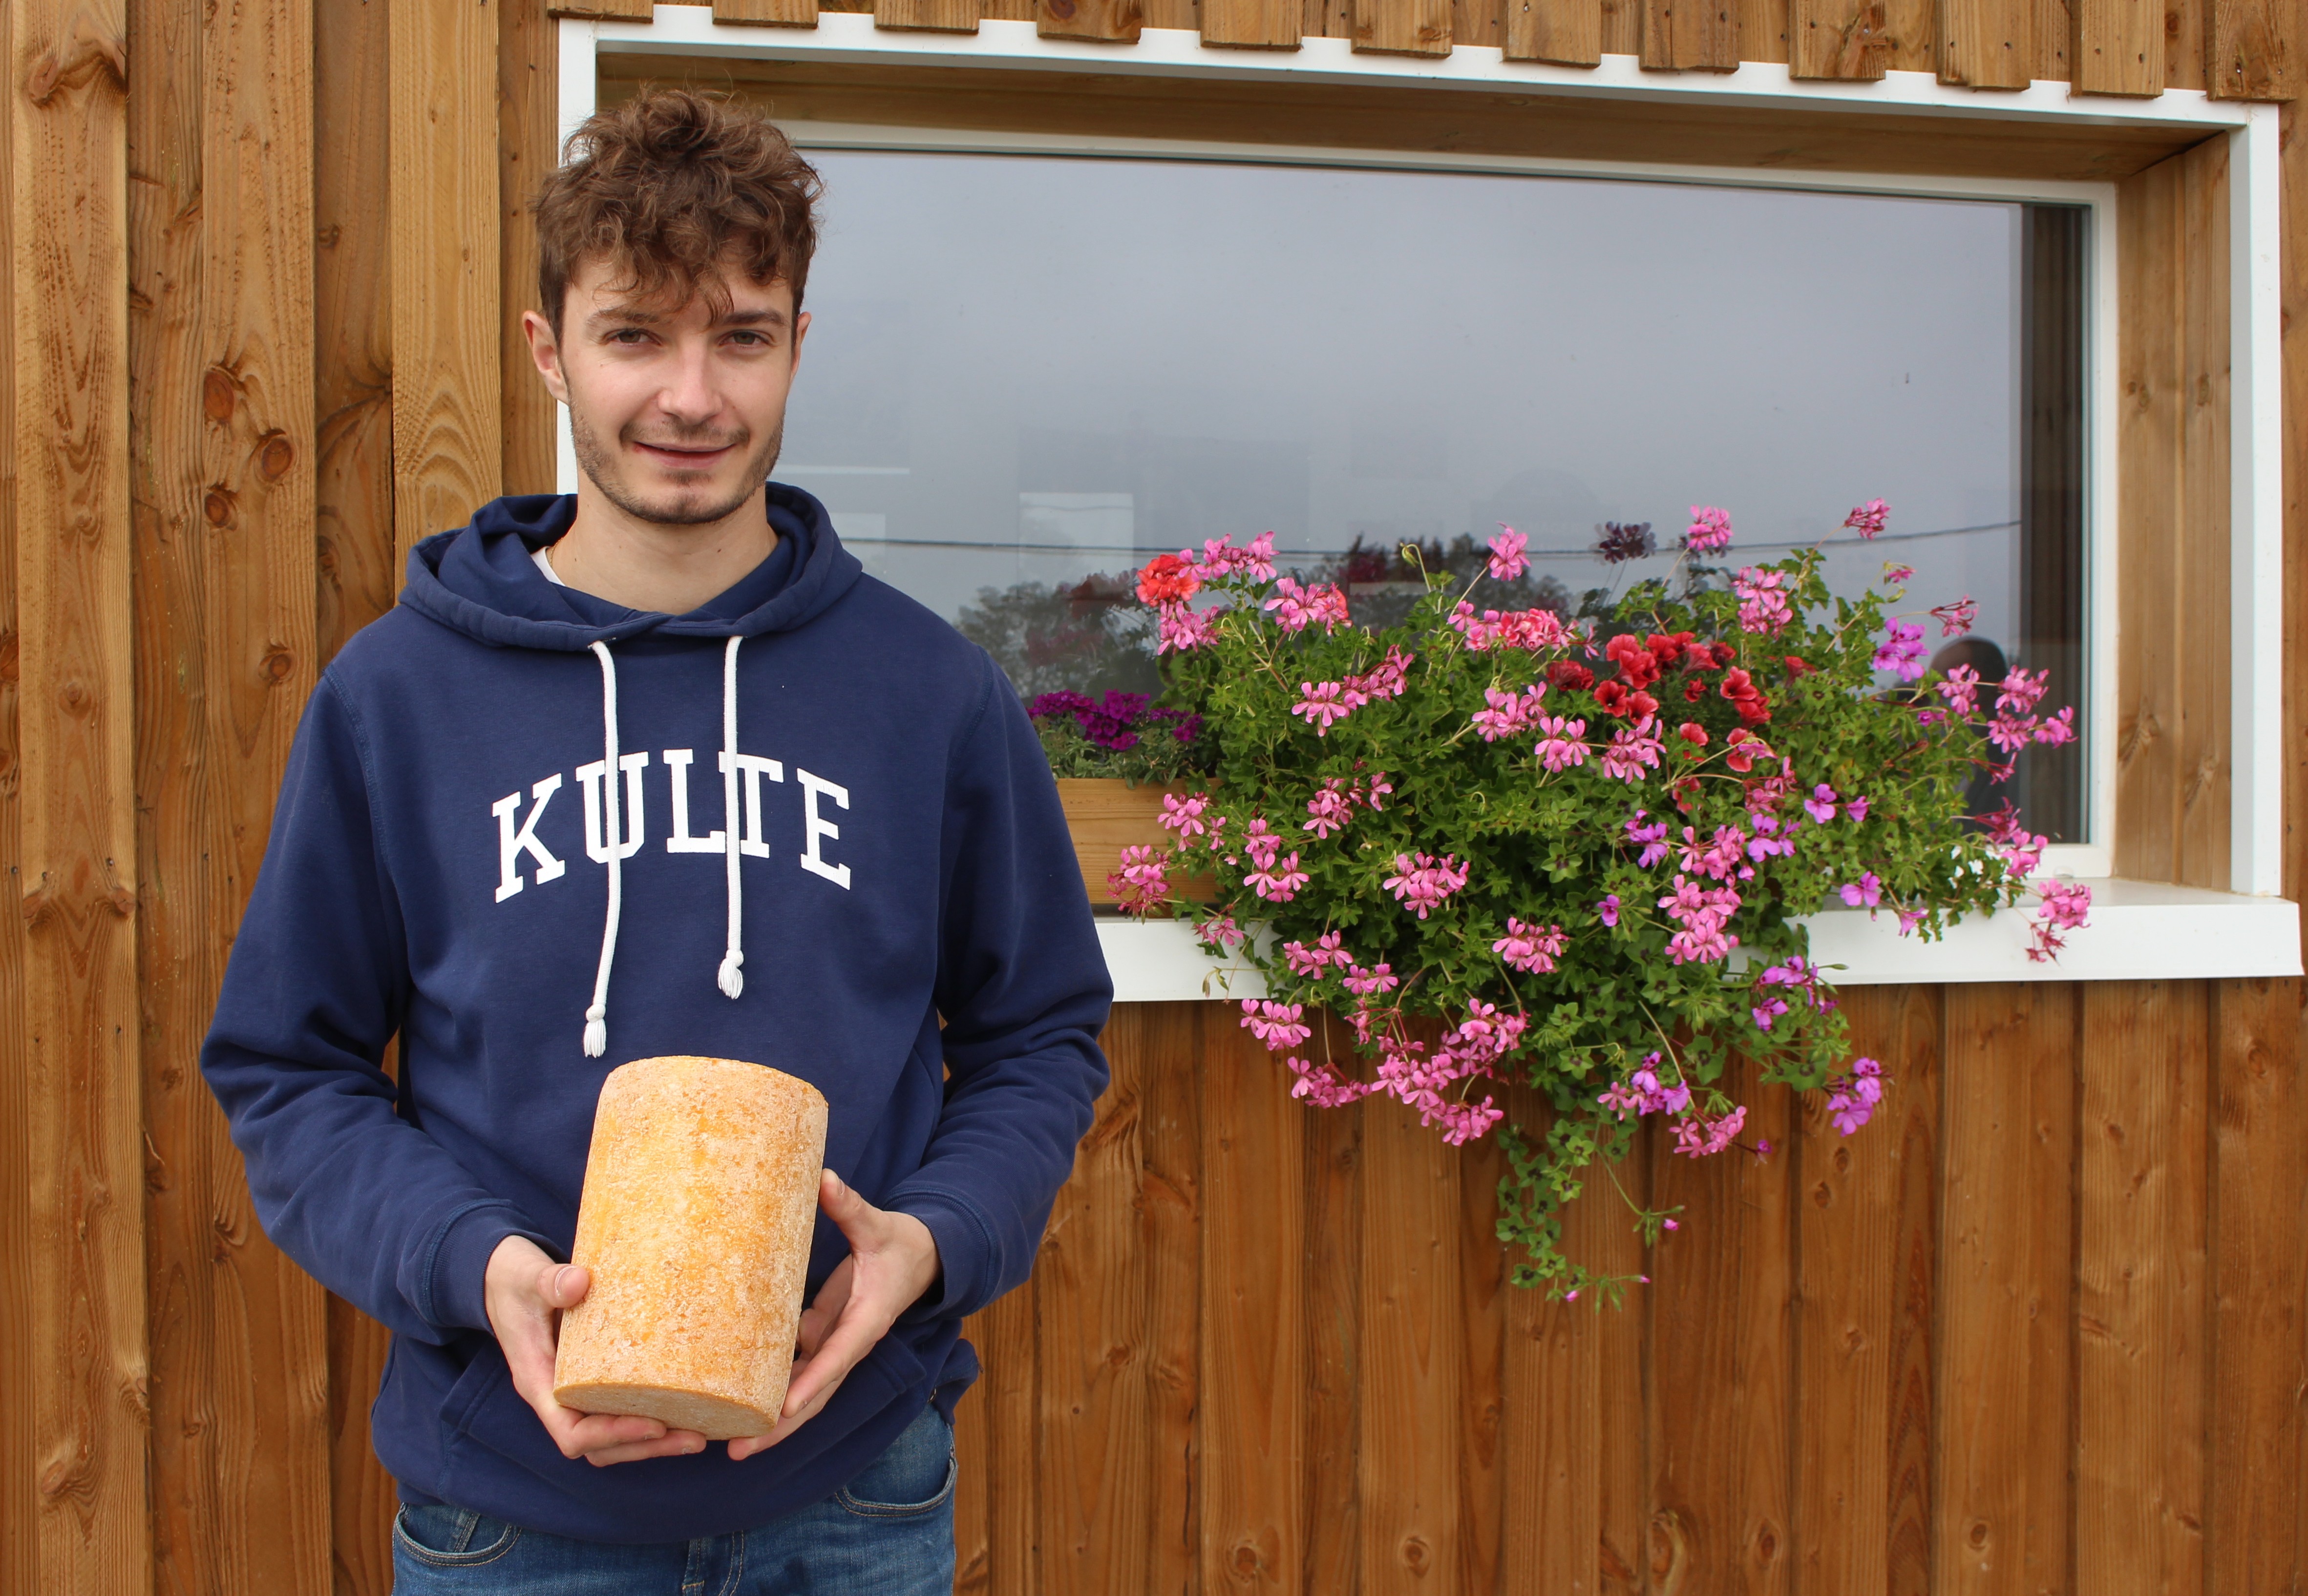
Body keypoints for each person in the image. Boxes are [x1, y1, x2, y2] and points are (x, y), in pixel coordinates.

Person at [199, 89, 1112, 1593]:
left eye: (741, 336)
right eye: (636, 335)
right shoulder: (396, 698)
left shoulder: (928, 693)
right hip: (509, 1511)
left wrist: (933, 1238)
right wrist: (472, 1267)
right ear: (548, 348)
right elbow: (286, 1072)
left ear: (799, 351)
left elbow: (1039, 1033)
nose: (689, 397)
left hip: (853, 1496)